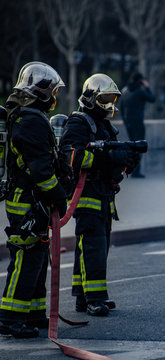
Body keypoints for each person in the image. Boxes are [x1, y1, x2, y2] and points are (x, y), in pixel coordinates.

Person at [60, 74, 140, 316]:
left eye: (112, 98)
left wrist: (126, 162)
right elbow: (70, 156)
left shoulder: (104, 126)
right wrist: (107, 158)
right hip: (86, 195)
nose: (109, 103)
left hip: (104, 195)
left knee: (92, 247)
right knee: (93, 246)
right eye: (104, 98)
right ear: (90, 97)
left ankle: (82, 297)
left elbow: (110, 164)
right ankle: (95, 298)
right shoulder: (79, 123)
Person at [0, 62, 68, 338]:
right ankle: (10, 317)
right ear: (39, 91)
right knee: (26, 258)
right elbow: (39, 168)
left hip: (32, 199)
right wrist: (58, 195)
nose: (54, 97)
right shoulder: (30, 121)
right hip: (27, 201)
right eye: (52, 91)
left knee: (37, 259)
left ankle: (34, 314)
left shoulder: (30, 117)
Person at [119, 72, 155, 178]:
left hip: (128, 122)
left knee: (131, 147)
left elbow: (121, 107)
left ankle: (130, 169)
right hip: (138, 122)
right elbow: (152, 99)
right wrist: (147, 87)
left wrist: (125, 121)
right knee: (139, 147)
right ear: (140, 81)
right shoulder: (140, 91)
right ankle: (136, 171)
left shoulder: (125, 91)